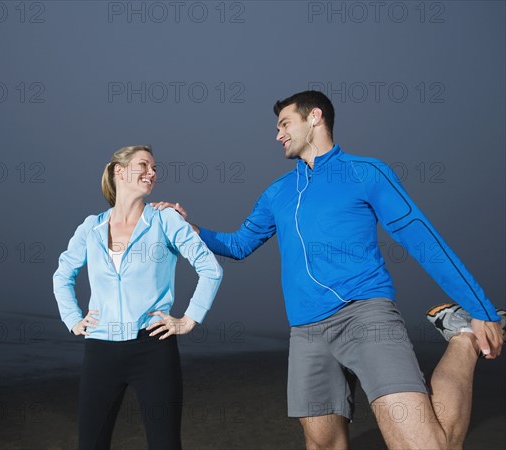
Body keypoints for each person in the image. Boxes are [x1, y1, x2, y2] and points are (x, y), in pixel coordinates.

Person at [152, 90, 505, 450]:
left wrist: (481, 309)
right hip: (306, 331)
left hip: (366, 317)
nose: (278, 135)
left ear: (315, 118)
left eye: (284, 124)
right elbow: (240, 244)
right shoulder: (278, 193)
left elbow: (424, 242)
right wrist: (190, 229)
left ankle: (461, 337)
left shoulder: (364, 173)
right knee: (322, 446)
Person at [53, 145, 223, 450]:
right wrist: (73, 319)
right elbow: (62, 275)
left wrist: (189, 319)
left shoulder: (165, 221)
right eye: (144, 165)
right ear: (119, 171)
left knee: (165, 444)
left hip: (153, 348)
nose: (152, 173)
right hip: (100, 350)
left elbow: (210, 269)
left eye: (155, 169)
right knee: (90, 444)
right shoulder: (91, 227)